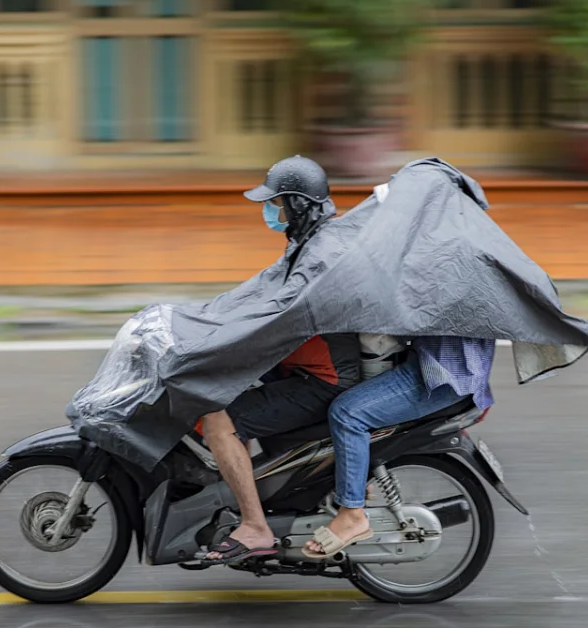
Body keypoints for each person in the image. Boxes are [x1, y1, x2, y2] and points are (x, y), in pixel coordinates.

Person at [200, 156, 363, 565]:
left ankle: (255, 527)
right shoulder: (309, 242)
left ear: (298, 205)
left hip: (323, 379)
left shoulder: (321, 252)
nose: (269, 212)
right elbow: (261, 292)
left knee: (218, 419)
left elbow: (281, 315)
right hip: (301, 366)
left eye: (276, 204)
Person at [301, 334, 497, 557]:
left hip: (441, 374)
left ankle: (351, 514)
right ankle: (351, 480)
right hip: (447, 365)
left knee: (347, 414)